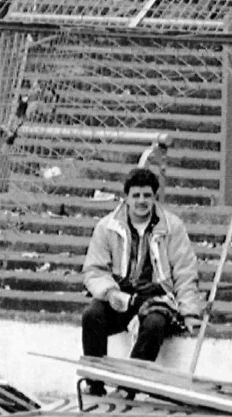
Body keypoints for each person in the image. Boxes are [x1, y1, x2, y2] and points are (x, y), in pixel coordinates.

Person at [80, 167, 203, 396]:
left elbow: (185, 272)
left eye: (147, 195)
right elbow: (94, 270)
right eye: (136, 195)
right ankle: (94, 383)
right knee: (92, 316)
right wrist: (109, 293)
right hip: (120, 295)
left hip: (157, 297)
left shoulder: (172, 227)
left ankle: (129, 387)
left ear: (155, 197)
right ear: (126, 197)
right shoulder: (107, 227)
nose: (141, 201)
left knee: (155, 324)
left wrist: (190, 313)